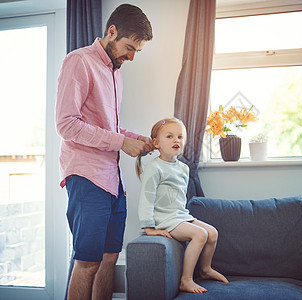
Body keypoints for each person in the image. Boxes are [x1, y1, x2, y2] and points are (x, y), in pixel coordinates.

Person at [55, 4, 153, 300]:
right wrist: (122, 143)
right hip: (87, 177)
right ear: (112, 31)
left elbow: (109, 127)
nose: (132, 56)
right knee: (87, 262)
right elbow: (67, 124)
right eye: (129, 47)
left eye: (137, 50)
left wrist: (136, 139)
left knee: (110, 258)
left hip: (113, 180)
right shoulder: (79, 62)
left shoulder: (115, 73)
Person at [137, 118, 229, 294]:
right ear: (156, 143)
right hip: (164, 218)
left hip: (179, 215)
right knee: (200, 235)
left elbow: (179, 198)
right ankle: (186, 280)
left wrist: (185, 218)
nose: (176, 140)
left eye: (180, 137)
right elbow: (146, 198)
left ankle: (205, 269)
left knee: (212, 233)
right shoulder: (155, 168)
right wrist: (149, 227)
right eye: (170, 136)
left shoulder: (183, 168)